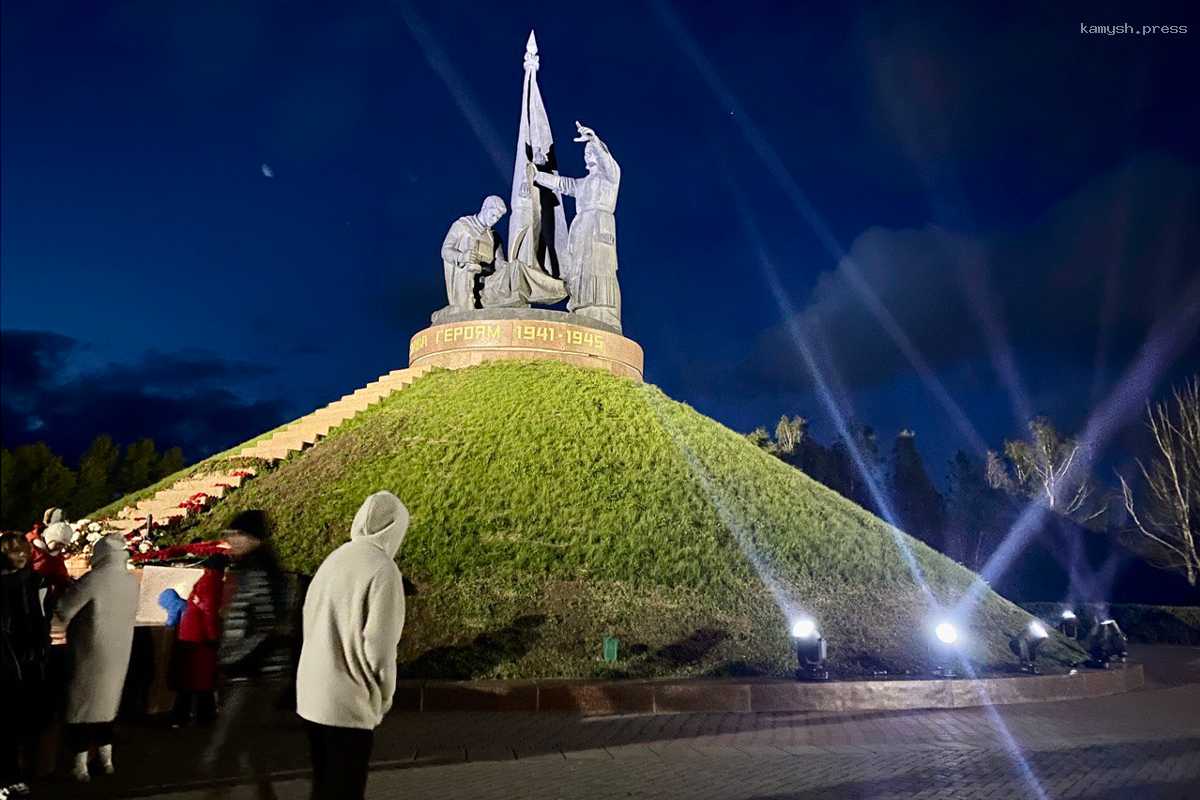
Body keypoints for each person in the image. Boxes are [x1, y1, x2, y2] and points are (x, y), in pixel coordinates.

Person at [297, 492, 408, 800]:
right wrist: (383, 697)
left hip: (311, 696)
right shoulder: (383, 569)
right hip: (349, 702)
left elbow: (308, 617)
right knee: (346, 789)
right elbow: (379, 647)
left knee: (323, 787)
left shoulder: (334, 559)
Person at [204, 510, 292, 799]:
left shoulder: (260, 574)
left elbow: (270, 628)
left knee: (226, 745)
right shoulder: (253, 569)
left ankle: (217, 795)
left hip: (255, 673)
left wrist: (239, 661)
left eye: (237, 534)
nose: (230, 540)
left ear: (254, 538)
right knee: (252, 742)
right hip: (253, 670)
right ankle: (265, 794)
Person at [54, 533, 138, 783]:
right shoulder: (131, 581)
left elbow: (64, 610)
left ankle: (80, 767)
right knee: (106, 708)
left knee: (81, 710)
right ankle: (106, 761)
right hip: (119, 652)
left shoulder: (93, 579)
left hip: (89, 653)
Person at [531, 121, 622, 331]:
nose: (589, 155)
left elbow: (607, 162)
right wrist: (536, 176)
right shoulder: (582, 184)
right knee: (580, 266)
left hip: (599, 226)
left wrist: (594, 140)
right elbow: (561, 184)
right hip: (581, 228)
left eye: (592, 153)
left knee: (599, 267)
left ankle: (602, 310)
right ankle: (581, 306)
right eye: (586, 153)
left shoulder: (611, 178)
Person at [1, 532, 51, 798]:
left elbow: (43, 615)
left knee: (18, 721)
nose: (20, 554)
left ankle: (15, 774)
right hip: (7, 660)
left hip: (27, 660)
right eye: (13, 550)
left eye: (23, 549)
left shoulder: (36, 580)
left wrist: (40, 647)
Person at [169, 555, 227, 727]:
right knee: (202, 678)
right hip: (201, 637)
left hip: (189, 634)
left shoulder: (203, 581)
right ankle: (202, 715)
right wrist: (213, 636)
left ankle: (184, 715)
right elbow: (209, 612)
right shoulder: (213, 583)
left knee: (189, 678)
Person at [436, 195, 508, 318]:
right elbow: (445, 251)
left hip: (487, 278)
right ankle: (446, 313)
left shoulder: (494, 236)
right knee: (464, 311)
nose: (494, 220)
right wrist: (462, 257)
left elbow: (500, 262)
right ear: (484, 208)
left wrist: (506, 268)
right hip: (465, 274)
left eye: (498, 218)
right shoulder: (463, 225)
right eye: (493, 215)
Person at [25, 509, 72, 611]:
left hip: (42, 591)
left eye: (63, 545)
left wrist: (66, 583)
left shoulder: (56, 557)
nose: (60, 547)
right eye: (58, 543)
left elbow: (60, 574)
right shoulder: (28, 544)